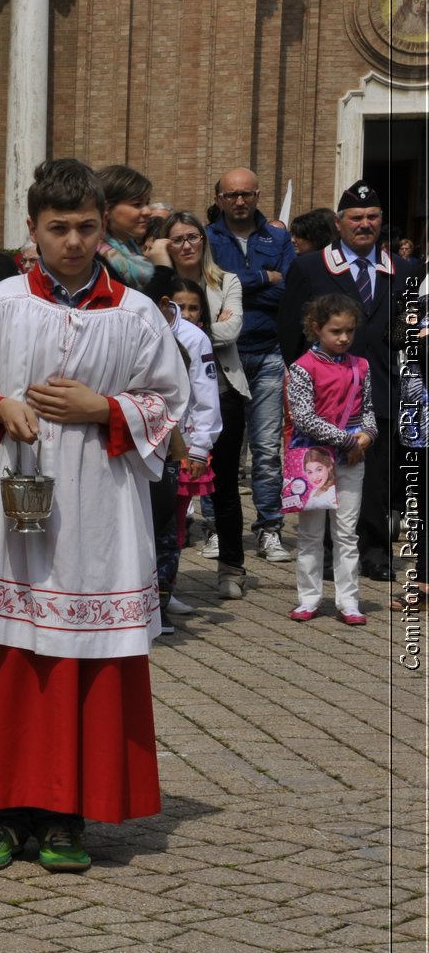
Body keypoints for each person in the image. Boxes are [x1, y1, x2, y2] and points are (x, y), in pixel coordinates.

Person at [0, 158, 188, 874]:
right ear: (32, 229)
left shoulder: (137, 313)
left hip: (100, 513)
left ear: (103, 228)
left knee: (84, 658)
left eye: (84, 228)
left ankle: (65, 815)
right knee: (4, 656)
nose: (72, 241)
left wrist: (102, 408)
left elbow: (173, 406)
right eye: (58, 228)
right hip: (9, 505)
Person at [281, 181, 415, 582]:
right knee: (325, 470)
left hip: (385, 386)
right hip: (328, 394)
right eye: (356, 218)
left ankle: (375, 551)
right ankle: (324, 552)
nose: (364, 224)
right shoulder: (309, 266)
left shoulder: (405, 269)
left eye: (372, 217)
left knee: (377, 476)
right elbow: (289, 330)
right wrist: (308, 381)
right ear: (339, 223)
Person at [205, 167, 297, 565]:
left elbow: (288, 289)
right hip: (224, 354)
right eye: (231, 195)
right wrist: (262, 276)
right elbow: (211, 288)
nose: (239, 201)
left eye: (247, 194)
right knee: (219, 446)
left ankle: (270, 529)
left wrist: (238, 288)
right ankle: (214, 528)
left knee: (265, 448)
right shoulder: (208, 238)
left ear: (258, 195)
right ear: (219, 198)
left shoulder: (277, 237)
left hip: (268, 351)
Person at [161, 212, 250, 597]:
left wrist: (191, 329)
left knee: (225, 482)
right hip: (171, 400)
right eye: (177, 238)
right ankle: (167, 578)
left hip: (222, 388)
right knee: (171, 493)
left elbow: (231, 330)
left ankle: (231, 566)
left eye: (193, 237)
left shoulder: (224, 280)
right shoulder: (154, 288)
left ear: (204, 240)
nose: (186, 245)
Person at [284, 294, 375, 625]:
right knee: (309, 533)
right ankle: (308, 598)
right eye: (336, 331)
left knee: (346, 533)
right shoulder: (302, 368)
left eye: (349, 331)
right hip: (312, 457)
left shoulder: (360, 366)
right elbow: (304, 418)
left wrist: (368, 435)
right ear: (315, 328)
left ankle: (349, 601)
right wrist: (350, 439)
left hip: (351, 459)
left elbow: (368, 413)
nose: (344, 338)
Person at [152, 279, 221, 633]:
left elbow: (206, 396)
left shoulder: (193, 338)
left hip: (179, 446)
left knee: (172, 526)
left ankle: (164, 594)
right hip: (139, 445)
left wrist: (199, 447)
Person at [96, 165, 175, 301]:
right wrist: (163, 268)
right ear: (107, 208)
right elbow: (139, 312)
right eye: (137, 204)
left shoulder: (131, 250)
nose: (147, 211)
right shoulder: (96, 262)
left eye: (147, 203)